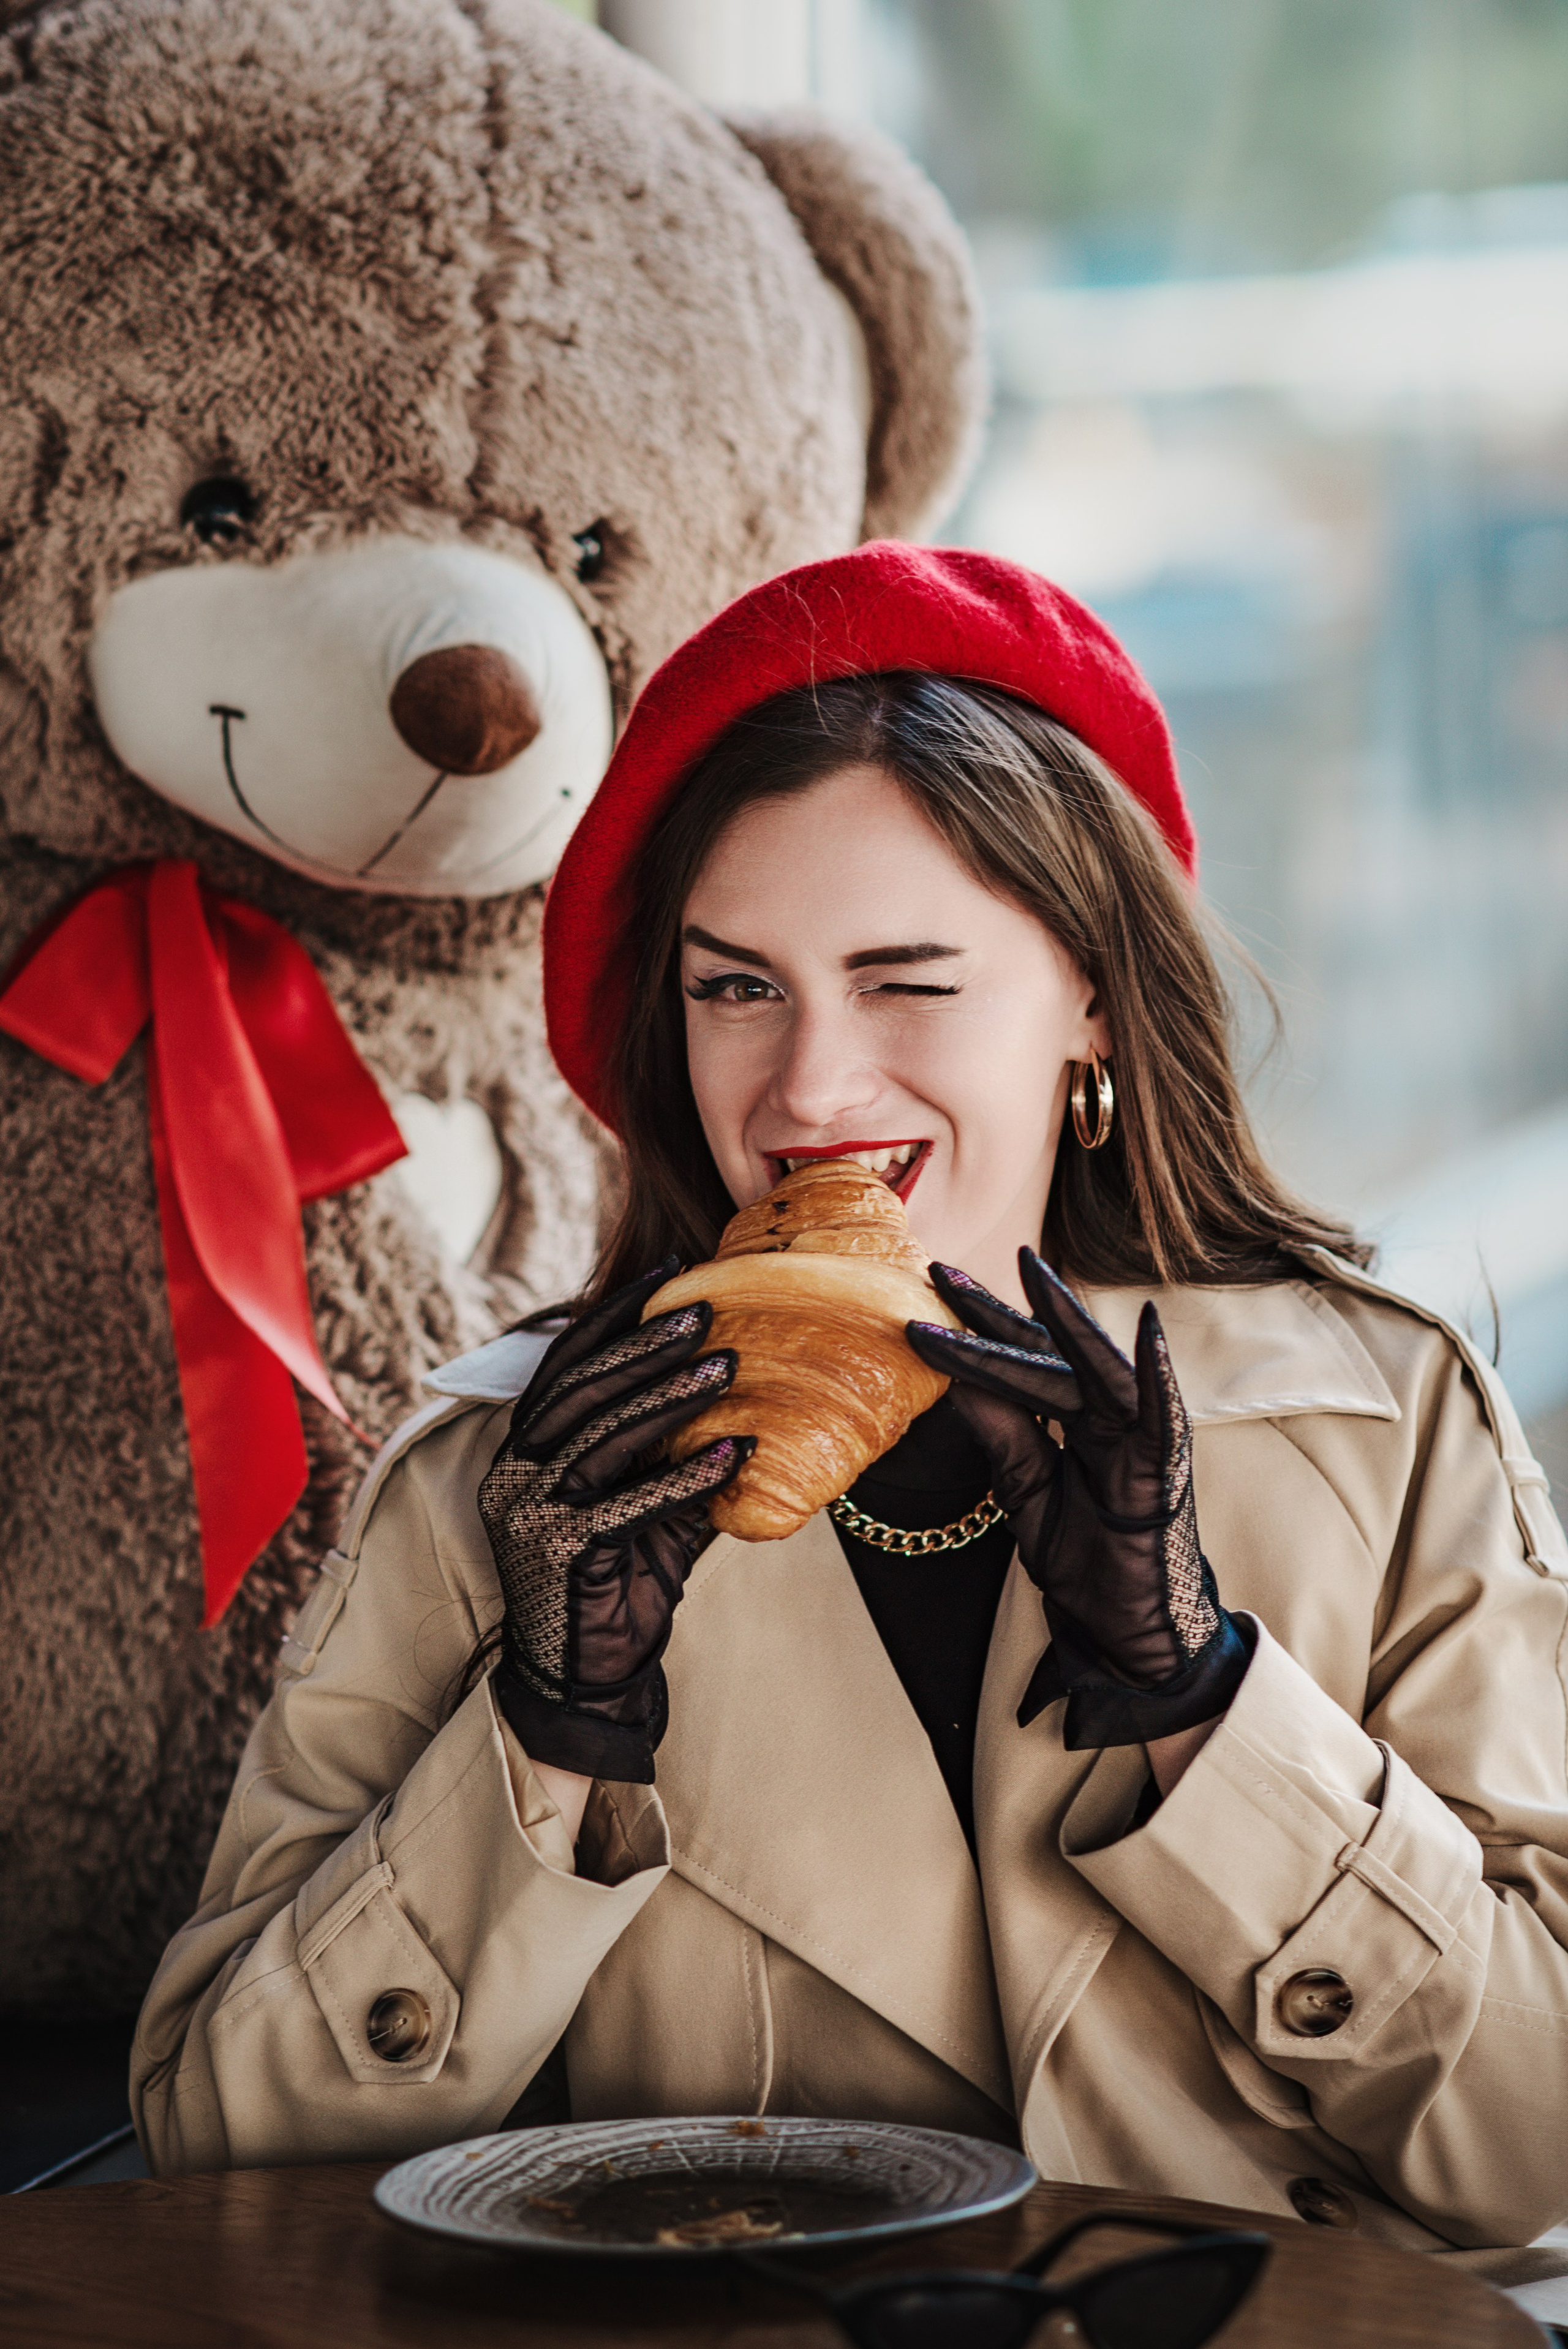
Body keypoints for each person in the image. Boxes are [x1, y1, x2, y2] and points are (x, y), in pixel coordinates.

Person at [133, 543, 1568, 2289]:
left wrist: (1205, 1701)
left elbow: (1534, 2149)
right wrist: (546, 1736)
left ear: (1093, 1001)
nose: (807, 1088)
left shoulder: (1387, 1426)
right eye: (737, 987)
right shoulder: (505, 1482)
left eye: (908, 978)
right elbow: (220, 2162)